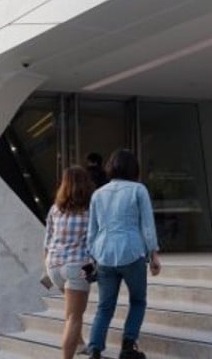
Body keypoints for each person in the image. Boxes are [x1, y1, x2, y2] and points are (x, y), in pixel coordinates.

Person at [86, 148, 162, 359]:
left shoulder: (98, 194)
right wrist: (153, 254)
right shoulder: (139, 190)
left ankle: (95, 350)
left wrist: (92, 257)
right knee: (138, 301)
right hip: (132, 251)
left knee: (104, 306)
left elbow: (91, 231)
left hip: (104, 254)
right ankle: (128, 347)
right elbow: (147, 225)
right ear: (133, 168)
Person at [44, 166, 95, 359]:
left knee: (71, 314)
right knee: (74, 317)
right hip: (77, 266)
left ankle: (80, 343)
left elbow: (47, 241)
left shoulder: (55, 209)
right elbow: (94, 240)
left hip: (54, 266)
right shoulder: (90, 210)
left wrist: (48, 268)